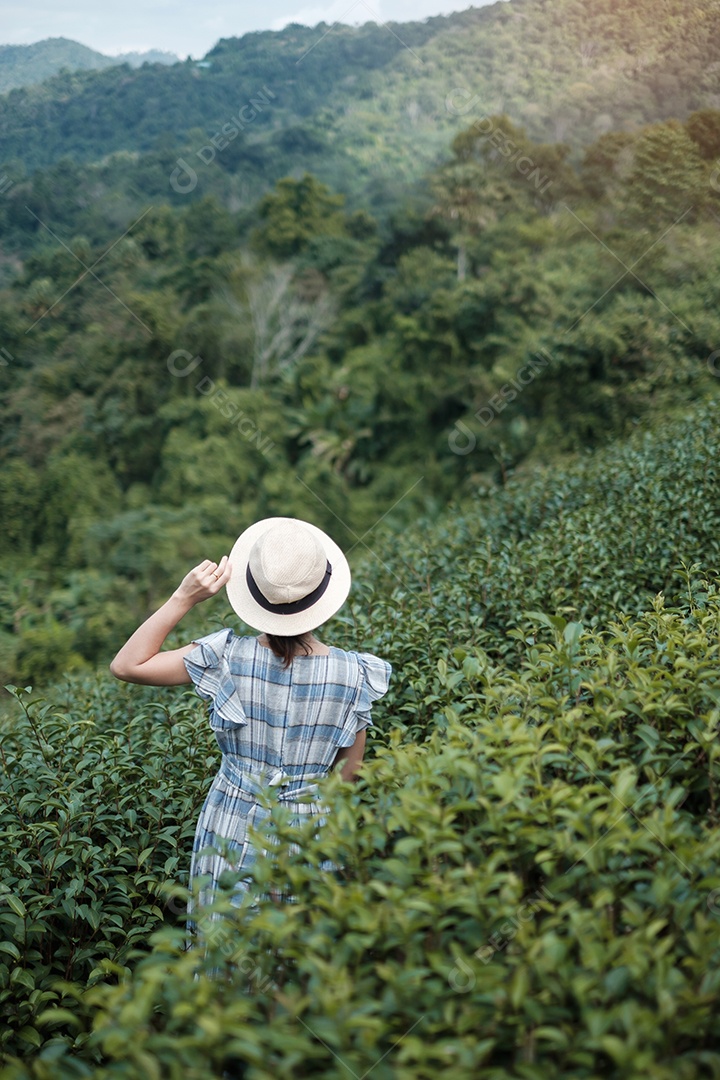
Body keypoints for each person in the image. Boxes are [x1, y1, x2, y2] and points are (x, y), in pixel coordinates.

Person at [109, 516, 391, 940]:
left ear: (253, 592)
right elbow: (347, 778)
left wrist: (183, 597)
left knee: (224, 961)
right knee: (299, 969)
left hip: (231, 824)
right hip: (312, 834)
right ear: (321, 595)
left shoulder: (223, 656)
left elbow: (127, 665)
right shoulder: (355, 675)